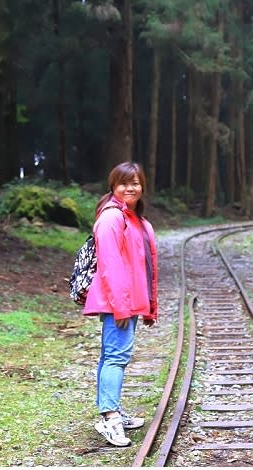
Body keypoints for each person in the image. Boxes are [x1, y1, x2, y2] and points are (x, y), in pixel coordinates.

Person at [82, 161, 159, 447]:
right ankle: (110, 417)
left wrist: (148, 306)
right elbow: (111, 267)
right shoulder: (112, 218)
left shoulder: (134, 218)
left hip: (129, 302)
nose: (131, 187)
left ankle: (111, 410)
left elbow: (143, 268)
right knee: (116, 357)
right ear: (113, 186)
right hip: (119, 303)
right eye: (124, 183)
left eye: (136, 182)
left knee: (110, 356)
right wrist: (121, 307)